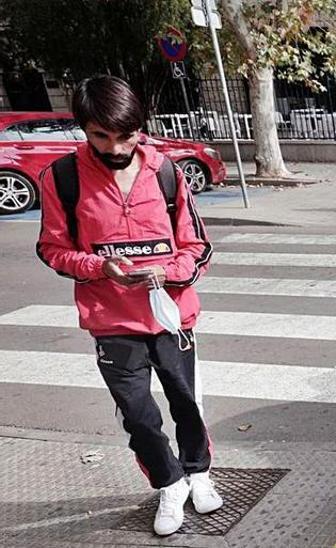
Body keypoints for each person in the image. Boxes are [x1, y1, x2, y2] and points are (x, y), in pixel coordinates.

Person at [35, 76, 218, 536]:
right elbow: (52, 249)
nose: (115, 146)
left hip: (170, 315)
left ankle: (198, 471)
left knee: (186, 403)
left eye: (126, 134)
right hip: (111, 321)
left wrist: (167, 272)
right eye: (101, 135)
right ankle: (169, 482)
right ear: (84, 129)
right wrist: (100, 267)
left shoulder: (167, 173)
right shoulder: (62, 178)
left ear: (140, 128)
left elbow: (197, 247)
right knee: (137, 414)